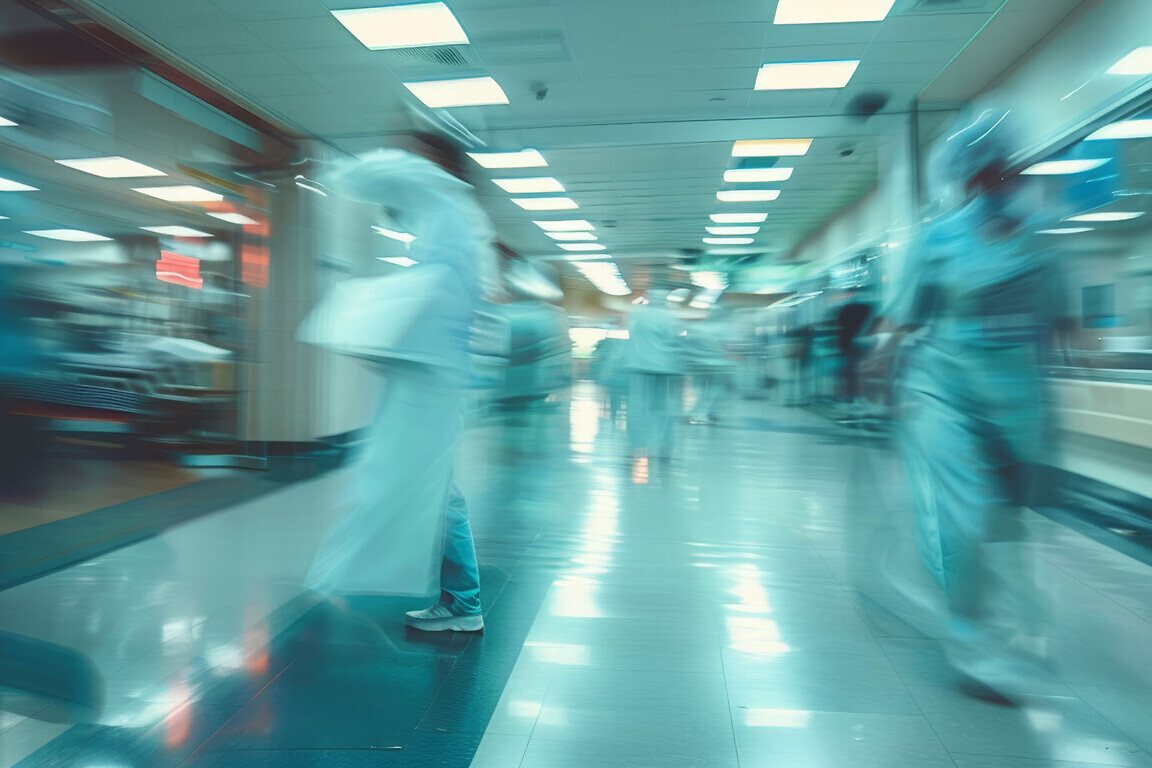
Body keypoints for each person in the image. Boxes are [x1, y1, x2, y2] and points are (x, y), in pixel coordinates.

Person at [885, 107, 1066, 702]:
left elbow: (1062, 322)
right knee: (967, 514)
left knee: (1003, 520)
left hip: (1013, 401)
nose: (992, 182)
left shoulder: (1040, 238)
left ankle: (995, 616)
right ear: (963, 179)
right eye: (979, 172)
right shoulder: (935, 238)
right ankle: (971, 646)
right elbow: (905, 319)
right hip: (942, 391)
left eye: (1001, 168)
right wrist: (877, 364)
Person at [302, 133, 491, 632]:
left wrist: (324, 167)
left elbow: (375, 174)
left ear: (437, 160)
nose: (408, 157)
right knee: (435, 488)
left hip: (431, 385)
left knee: (409, 482)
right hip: (435, 380)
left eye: (416, 152)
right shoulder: (458, 218)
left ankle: (459, 601)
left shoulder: (442, 197)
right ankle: (461, 599)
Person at [622, 290, 685, 460]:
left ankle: (637, 446)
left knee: (637, 408)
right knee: (663, 407)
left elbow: (630, 333)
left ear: (648, 298)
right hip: (665, 369)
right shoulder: (671, 316)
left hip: (639, 367)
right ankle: (665, 444)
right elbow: (677, 340)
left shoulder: (638, 315)